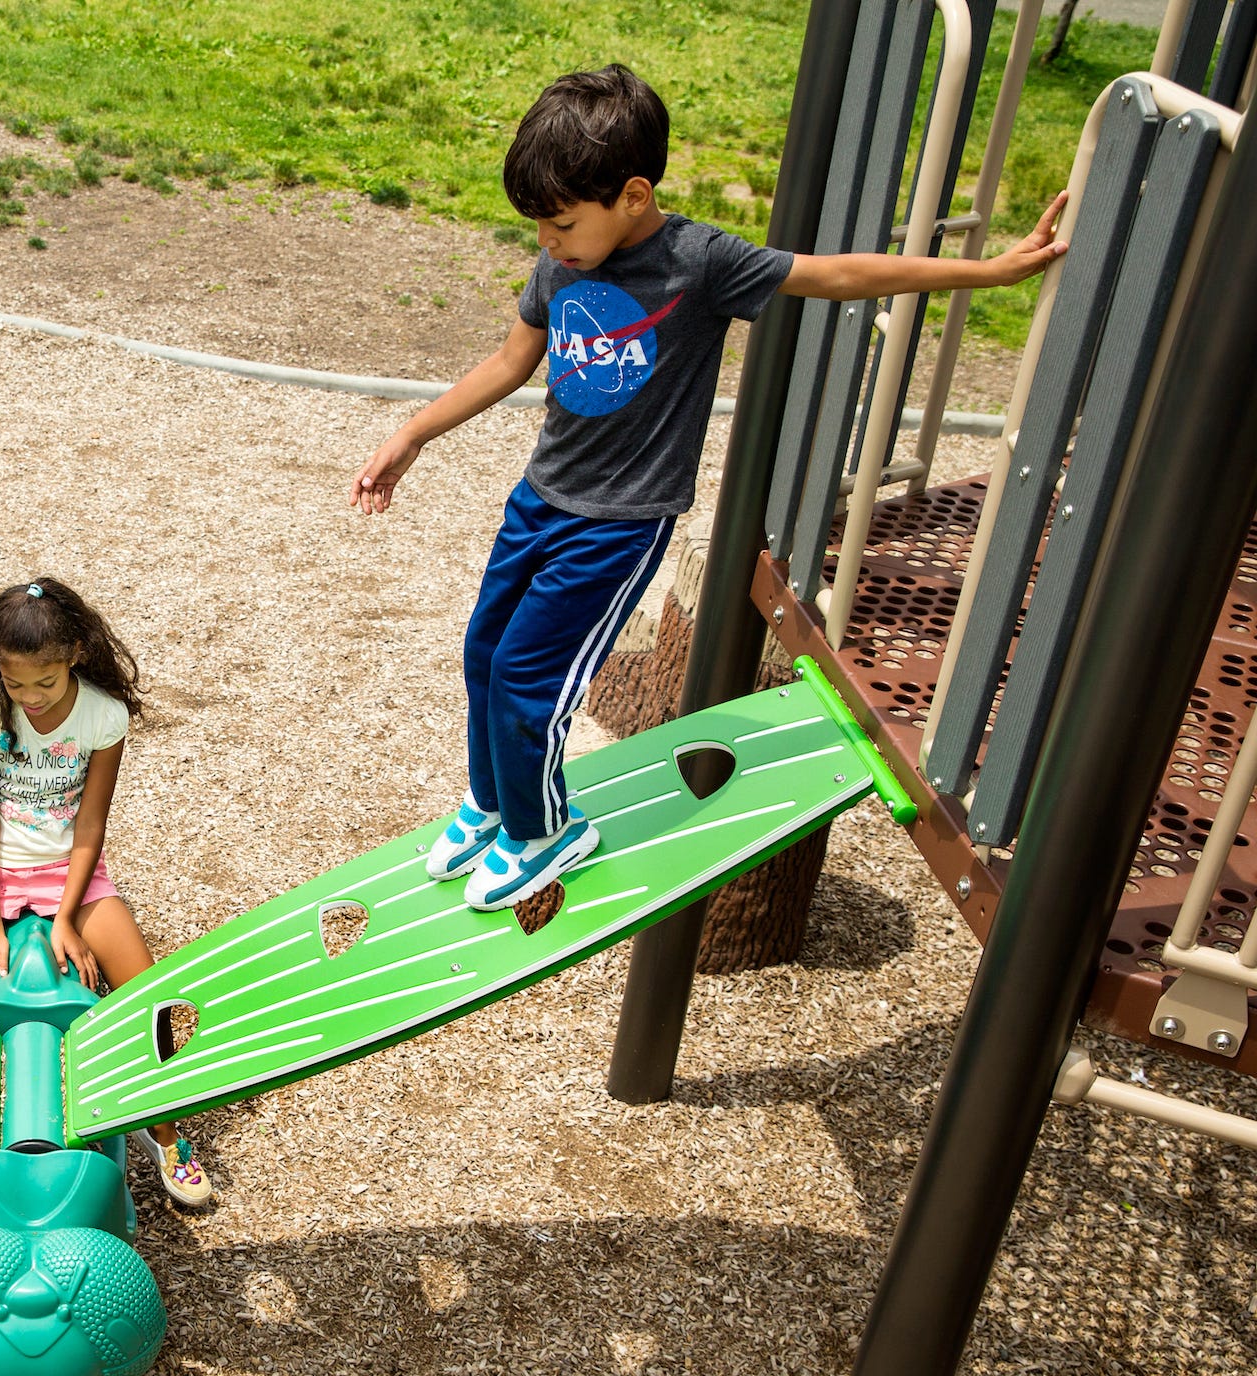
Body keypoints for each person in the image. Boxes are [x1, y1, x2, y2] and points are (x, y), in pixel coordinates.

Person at [350, 63, 1067, 912]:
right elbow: (513, 359)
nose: (546, 241)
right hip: (540, 497)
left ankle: (546, 830)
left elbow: (836, 275)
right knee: (484, 653)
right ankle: (497, 800)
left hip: (618, 523)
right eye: (539, 224)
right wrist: (412, 433)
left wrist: (989, 274)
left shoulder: (697, 262)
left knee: (527, 675)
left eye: (561, 222)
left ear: (634, 195)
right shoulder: (563, 259)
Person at [0, 578, 212, 1254]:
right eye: (13, 679)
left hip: (70, 869)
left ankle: (167, 1132)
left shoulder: (101, 717)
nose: (29, 697)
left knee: (151, 996)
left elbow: (91, 822)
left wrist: (66, 916)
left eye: (44, 682)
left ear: (75, 655)